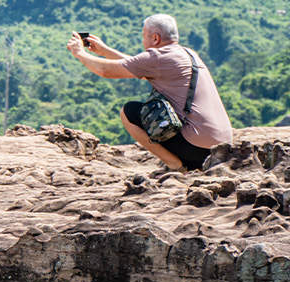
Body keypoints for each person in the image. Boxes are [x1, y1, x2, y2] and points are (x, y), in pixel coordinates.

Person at [67, 14, 233, 171]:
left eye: (144, 35)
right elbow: (137, 64)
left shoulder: (158, 57)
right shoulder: (187, 53)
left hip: (197, 148)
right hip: (222, 147)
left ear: (155, 38)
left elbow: (105, 71)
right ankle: (184, 162)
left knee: (129, 112)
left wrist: (79, 53)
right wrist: (104, 51)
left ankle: (176, 165)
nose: (142, 40)